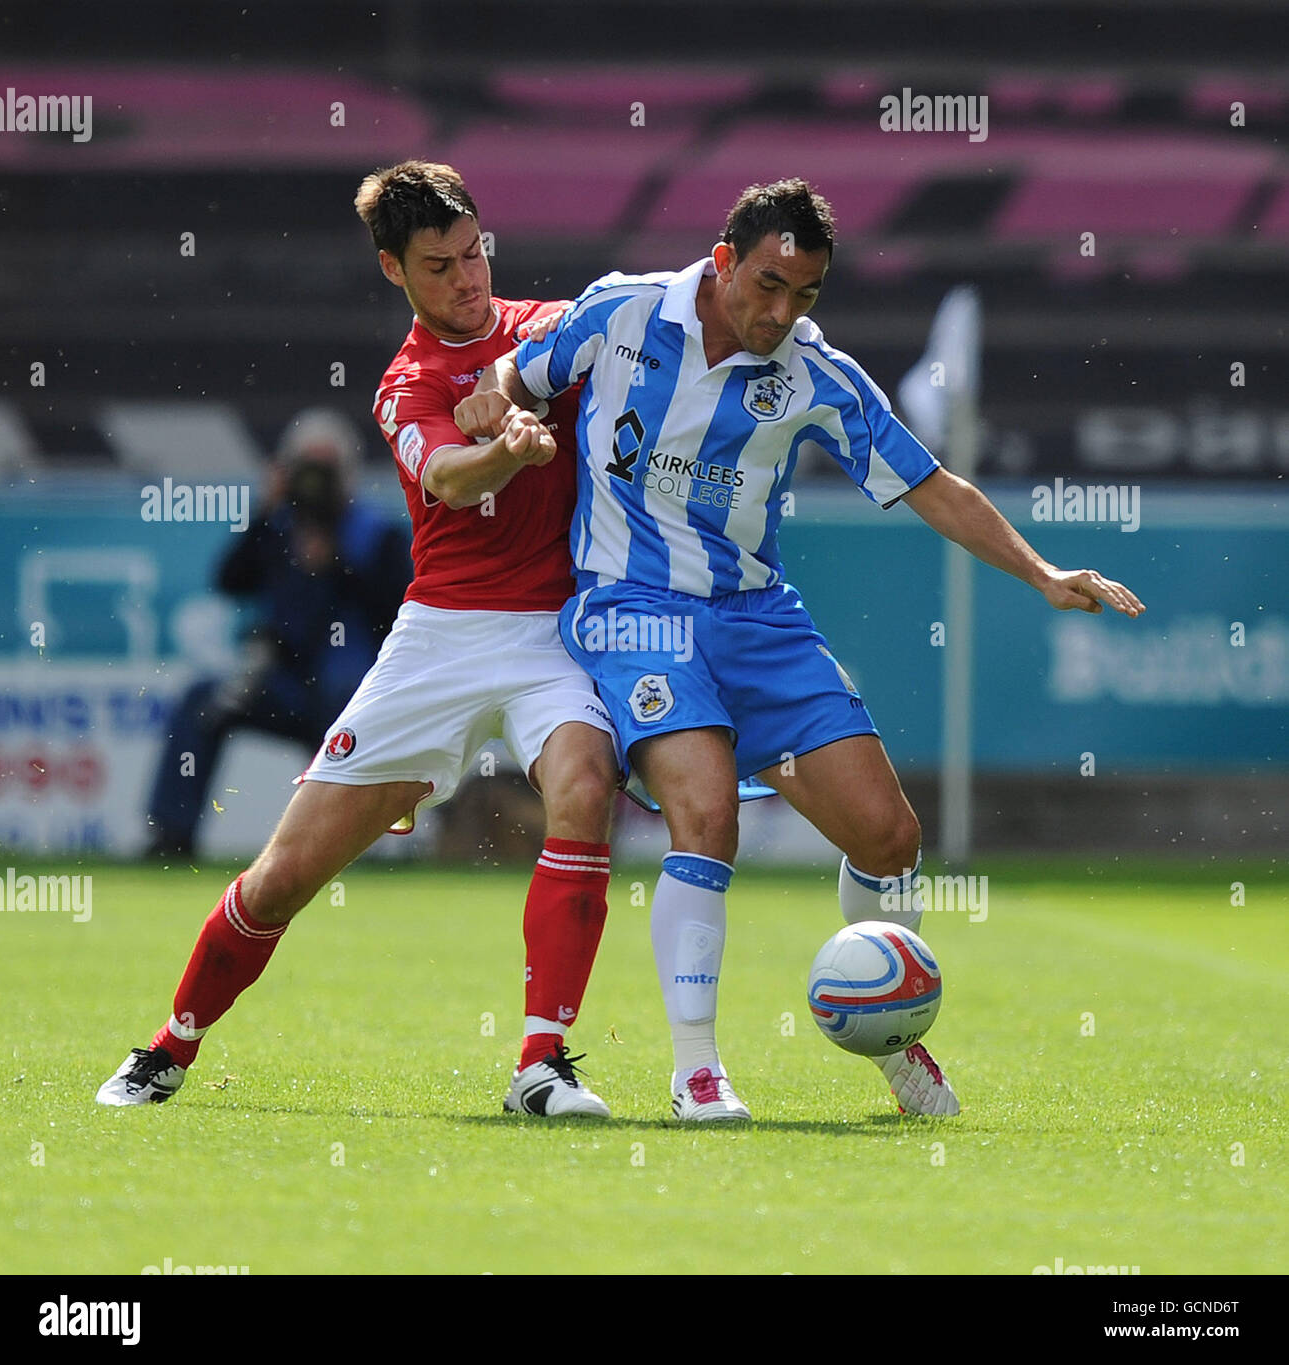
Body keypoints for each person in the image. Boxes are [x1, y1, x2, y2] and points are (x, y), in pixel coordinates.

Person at [458, 177, 1146, 1123]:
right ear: (724, 259)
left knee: (891, 835)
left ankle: (892, 1032)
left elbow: (931, 483)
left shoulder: (815, 373)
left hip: (756, 619)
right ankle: (696, 1068)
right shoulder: (620, 312)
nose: (781, 312)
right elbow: (515, 372)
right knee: (705, 816)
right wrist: (491, 406)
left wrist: (1040, 571)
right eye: (769, 284)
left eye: (805, 294)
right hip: (632, 609)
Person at [98, 160, 622, 1117]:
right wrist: (509, 444)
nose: (468, 278)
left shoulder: (552, 332)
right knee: (283, 876)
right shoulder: (404, 383)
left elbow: (634, 322)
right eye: (440, 266)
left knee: (587, 786)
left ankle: (540, 1064)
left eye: (475, 254)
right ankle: (169, 1047)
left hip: (556, 631)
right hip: (441, 641)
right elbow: (454, 480)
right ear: (394, 272)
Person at [144, 409, 412, 859]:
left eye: (324, 471)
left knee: (339, 707)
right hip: (282, 684)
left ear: (348, 474)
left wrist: (340, 564)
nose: (314, 484)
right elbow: (230, 579)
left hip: (352, 696)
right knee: (202, 702)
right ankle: (172, 836)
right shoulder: (278, 529)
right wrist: (266, 508)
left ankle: (336, 848)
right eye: (304, 468)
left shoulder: (377, 536)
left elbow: (398, 611)